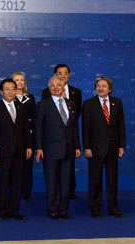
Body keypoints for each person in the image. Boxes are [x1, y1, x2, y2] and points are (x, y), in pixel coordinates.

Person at [35, 76, 81, 220]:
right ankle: (52, 209)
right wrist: (39, 147)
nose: (55, 87)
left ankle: (63, 210)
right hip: (50, 149)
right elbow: (38, 128)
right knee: (52, 181)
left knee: (65, 182)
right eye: (52, 85)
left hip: (69, 149)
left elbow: (74, 127)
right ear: (49, 88)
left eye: (58, 85)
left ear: (63, 87)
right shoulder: (43, 104)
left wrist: (77, 146)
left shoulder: (71, 104)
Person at [82, 77, 126, 218]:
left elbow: (121, 126)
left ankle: (113, 208)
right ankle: (95, 208)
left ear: (110, 88)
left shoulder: (117, 103)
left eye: (104, 86)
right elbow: (85, 128)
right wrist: (87, 147)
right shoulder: (88, 104)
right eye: (98, 86)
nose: (100, 88)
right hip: (95, 148)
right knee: (95, 179)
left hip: (113, 147)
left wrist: (121, 146)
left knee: (112, 180)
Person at [0, 79, 32, 221]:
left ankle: (14, 210)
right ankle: (1, 211)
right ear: (1, 92)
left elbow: (26, 129)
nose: (10, 92)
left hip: (19, 151)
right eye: (7, 89)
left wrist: (29, 146)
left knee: (16, 183)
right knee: (2, 182)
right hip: (2, 152)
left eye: (13, 89)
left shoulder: (21, 107)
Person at [42, 64, 82, 200]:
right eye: (59, 73)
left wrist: (77, 144)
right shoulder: (45, 97)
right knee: (53, 177)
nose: (63, 75)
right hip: (52, 144)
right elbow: (43, 122)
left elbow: (74, 121)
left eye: (66, 73)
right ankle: (53, 205)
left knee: (67, 175)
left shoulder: (75, 96)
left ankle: (67, 199)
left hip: (69, 142)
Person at [11, 72, 37, 200]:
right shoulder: (9, 98)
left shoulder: (30, 97)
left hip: (29, 137)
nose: (19, 82)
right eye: (16, 80)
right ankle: (14, 191)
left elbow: (35, 117)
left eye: (21, 80)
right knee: (15, 166)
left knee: (27, 165)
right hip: (14, 138)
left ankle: (26, 192)